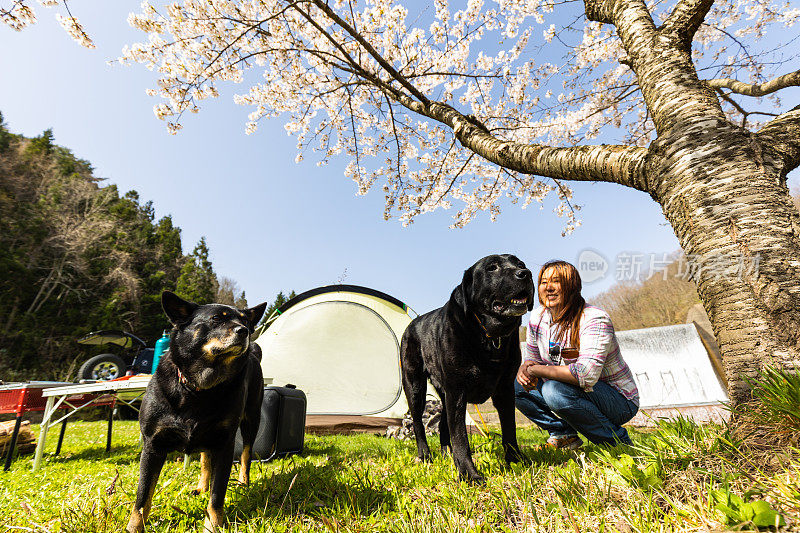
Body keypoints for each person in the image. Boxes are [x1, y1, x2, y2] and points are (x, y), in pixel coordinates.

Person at [515, 260, 639, 449]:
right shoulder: (537, 318)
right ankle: (563, 434)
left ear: (571, 286)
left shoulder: (594, 318)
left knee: (554, 391)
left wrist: (536, 370)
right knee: (513, 384)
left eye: (556, 281)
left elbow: (585, 375)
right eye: (543, 282)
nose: (549, 288)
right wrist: (526, 369)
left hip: (617, 400)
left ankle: (618, 444)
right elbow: (533, 358)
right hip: (569, 389)